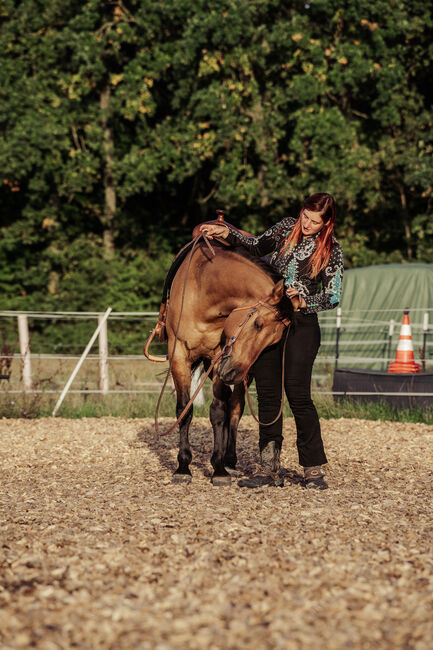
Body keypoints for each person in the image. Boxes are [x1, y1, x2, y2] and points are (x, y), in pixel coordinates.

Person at [200, 193, 343, 490]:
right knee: (267, 393)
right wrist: (227, 232)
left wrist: (303, 301)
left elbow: (334, 295)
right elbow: (255, 245)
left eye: (315, 221)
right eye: (305, 216)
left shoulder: (332, 250)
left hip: (301, 324)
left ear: (326, 223)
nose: (307, 224)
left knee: (298, 394)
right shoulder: (284, 229)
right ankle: (268, 468)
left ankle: (313, 468)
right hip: (266, 320)